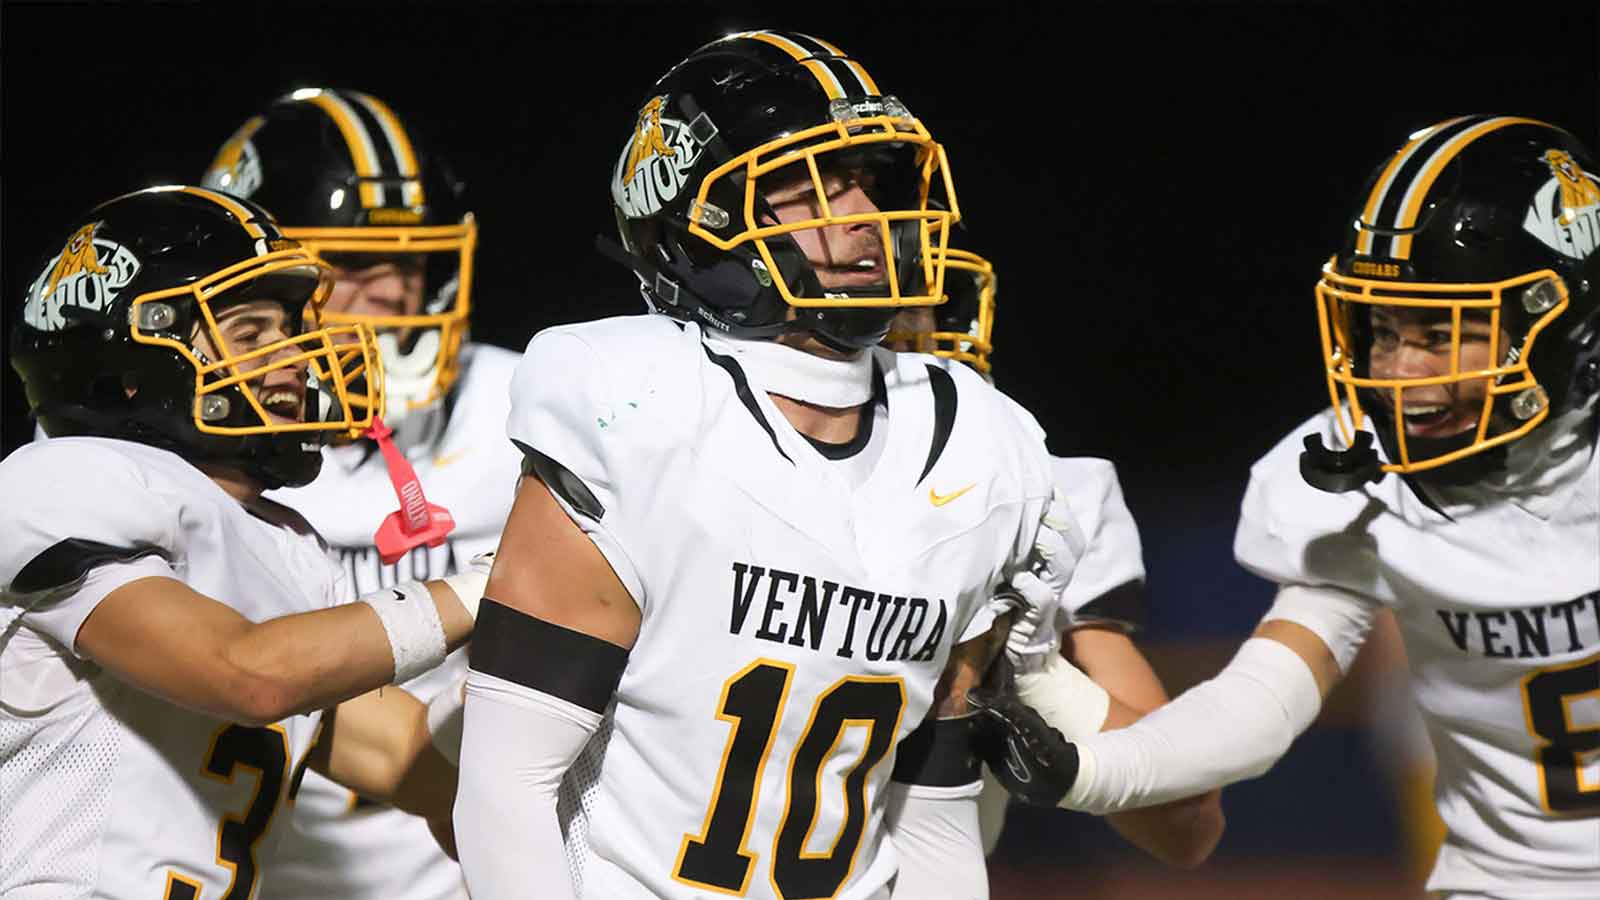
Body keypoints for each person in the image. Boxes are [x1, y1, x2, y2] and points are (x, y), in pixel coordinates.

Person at [453, 30, 1066, 900]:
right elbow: (505, 787)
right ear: (695, 226)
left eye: (865, 180)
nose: (861, 213)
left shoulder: (981, 443)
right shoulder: (634, 404)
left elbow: (931, 815)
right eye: (806, 187)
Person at [983, 116, 1600, 899]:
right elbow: (1259, 705)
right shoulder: (1369, 483)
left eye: (1446, 332)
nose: (1401, 370)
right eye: (1386, 329)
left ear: (1565, 328)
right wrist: (1089, 768)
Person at [0, 186, 485, 899]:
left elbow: (406, 760)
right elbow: (247, 674)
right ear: (130, 369)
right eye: (251, 333)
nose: (293, 357)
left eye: (288, 329)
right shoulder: (61, 480)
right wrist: (485, 587)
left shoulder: (278, 541)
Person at [201, 87, 522, 900]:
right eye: (348, 264)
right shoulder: (187, 452)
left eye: (408, 263)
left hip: (457, 862)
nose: (389, 295)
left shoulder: (519, 407)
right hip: (250, 867)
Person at [886, 248, 1224, 867]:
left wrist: (1032, 671)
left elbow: (1187, 822)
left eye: (914, 298)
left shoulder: (1039, 497)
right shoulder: (711, 466)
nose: (908, 326)